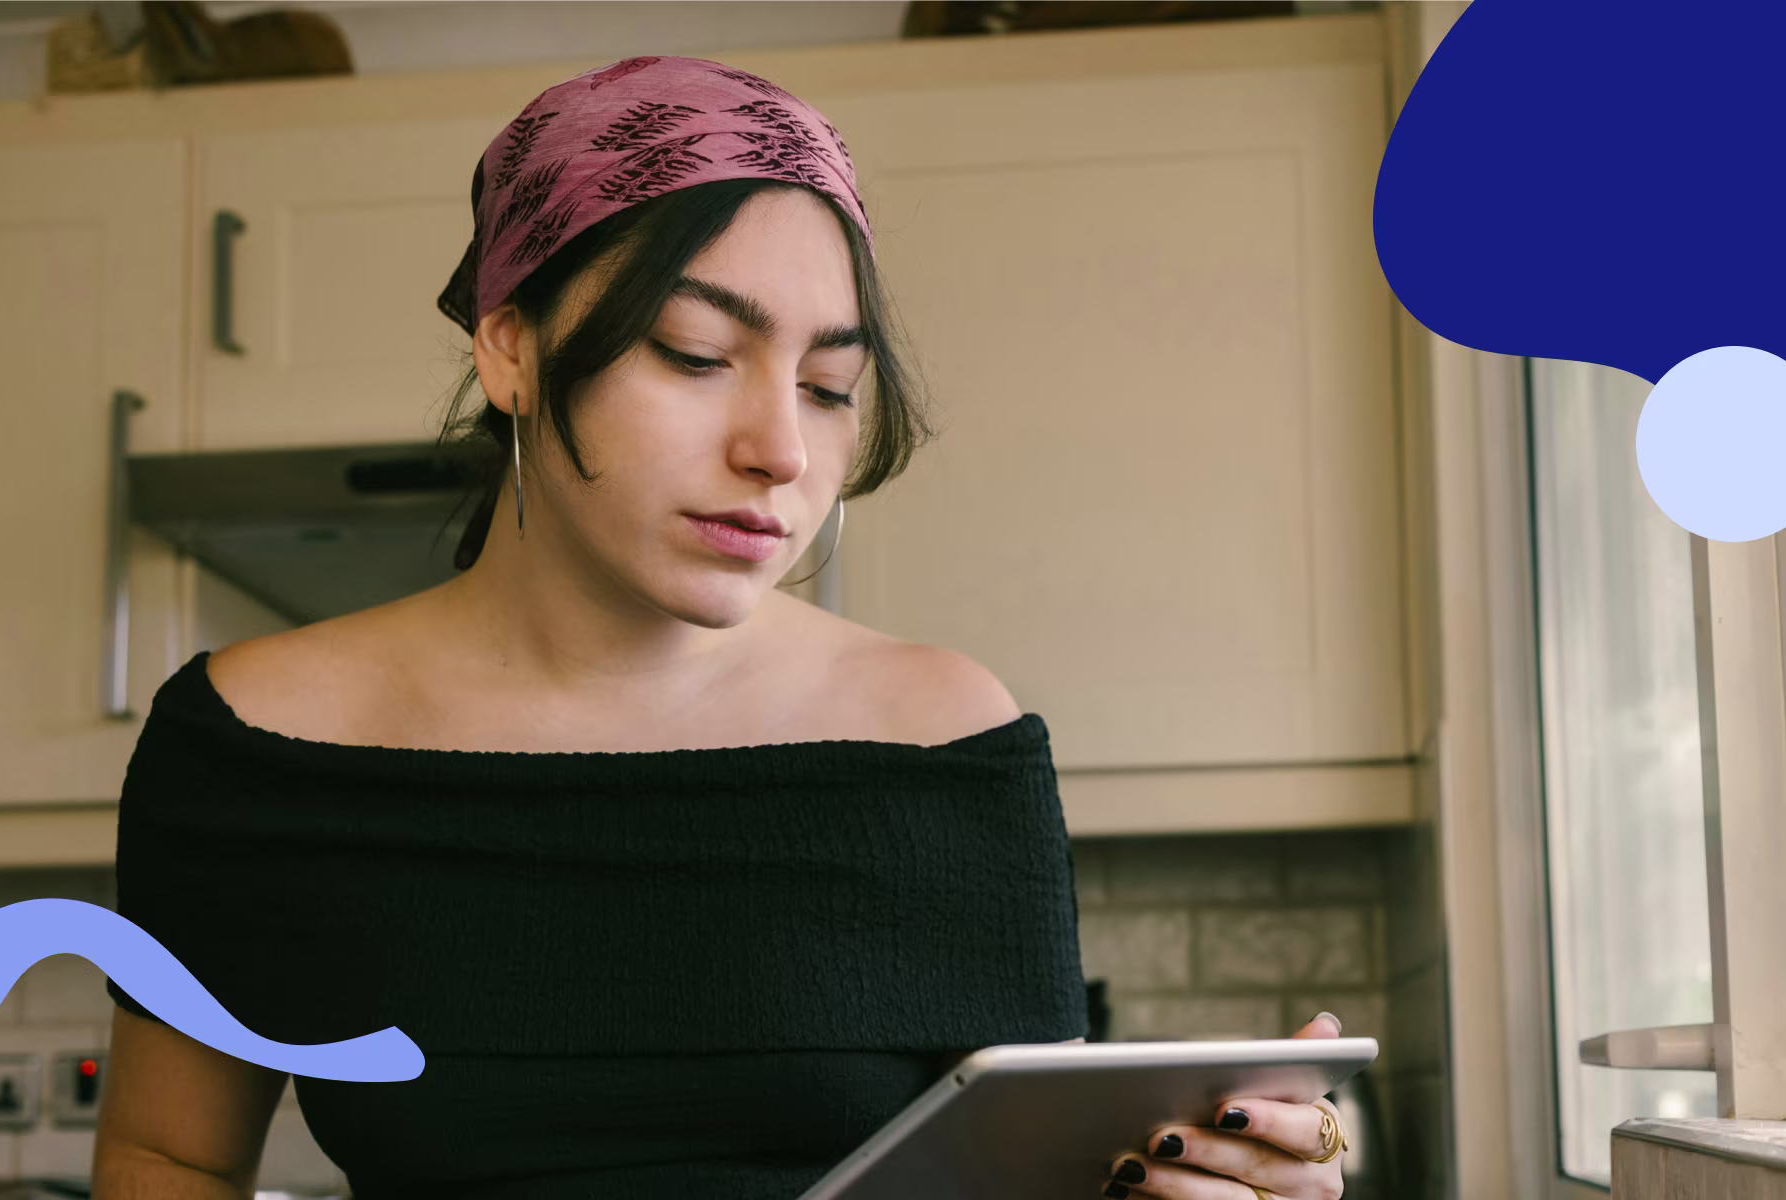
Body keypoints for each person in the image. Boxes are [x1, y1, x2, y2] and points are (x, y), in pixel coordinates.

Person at [88, 54, 1346, 1200]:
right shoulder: (254, 742)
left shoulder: (943, 735)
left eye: (828, 387)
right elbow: (168, 1154)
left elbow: (1040, 1182)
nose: (782, 451)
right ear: (510, 348)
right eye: (695, 354)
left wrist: (1212, 1182)